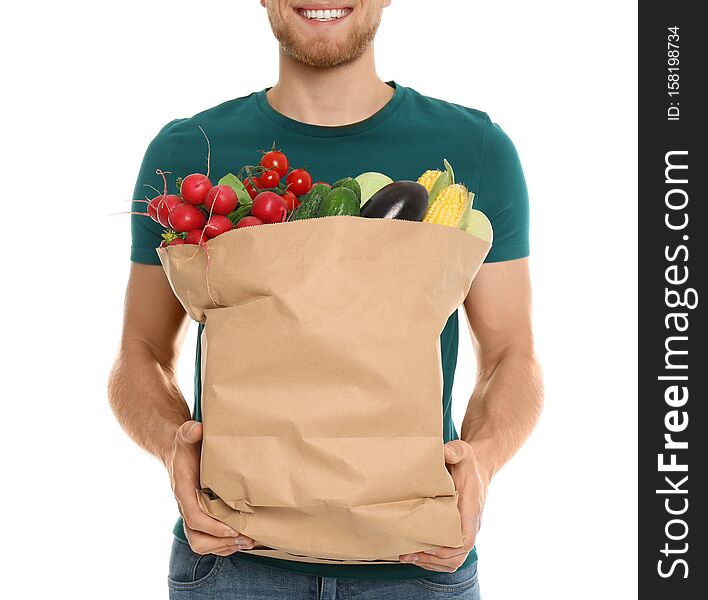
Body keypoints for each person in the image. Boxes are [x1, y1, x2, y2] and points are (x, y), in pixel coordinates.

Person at [107, 1, 544, 598]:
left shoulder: (475, 148)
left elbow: (510, 354)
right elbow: (141, 350)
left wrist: (484, 461)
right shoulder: (189, 152)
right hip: (232, 560)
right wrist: (170, 446)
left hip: (415, 562)